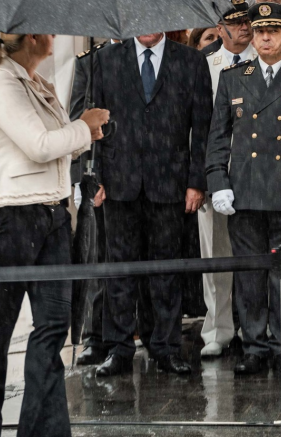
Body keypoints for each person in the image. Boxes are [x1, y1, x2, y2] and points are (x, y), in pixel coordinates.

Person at [0, 33, 109, 437]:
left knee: (53, 325)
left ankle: (44, 430)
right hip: (7, 217)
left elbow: (57, 149)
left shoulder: (39, 83)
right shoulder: (1, 83)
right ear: (32, 37)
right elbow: (40, 146)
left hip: (51, 214)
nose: (55, 39)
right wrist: (82, 127)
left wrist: (85, 136)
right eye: (50, 32)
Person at [206, 2, 281, 374]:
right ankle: (254, 345)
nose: (265, 37)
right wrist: (218, 182)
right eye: (259, 31)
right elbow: (218, 138)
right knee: (250, 275)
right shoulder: (232, 78)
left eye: (273, 31)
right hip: (245, 191)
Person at [92, 32, 213, 377]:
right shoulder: (107, 60)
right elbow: (93, 123)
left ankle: (166, 347)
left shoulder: (190, 61)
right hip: (119, 182)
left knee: (166, 271)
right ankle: (118, 348)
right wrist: (94, 176)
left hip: (170, 182)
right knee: (120, 270)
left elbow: (202, 127)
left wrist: (196, 181)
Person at [198, 0, 258, 359]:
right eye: (235, 21)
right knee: (215, 256)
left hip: (256, 170)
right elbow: (196, 125)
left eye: (247, 19)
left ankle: (257, 328)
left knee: (254, 255)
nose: (244, 27)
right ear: (220, 27)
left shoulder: (267, 58)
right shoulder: (204, 64)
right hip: (215, 170)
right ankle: (217, 329)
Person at [69, 41, 110, 367]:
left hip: (146, 174)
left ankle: (145, 333)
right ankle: (95, 336)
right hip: (100, 176)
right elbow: (76, 120)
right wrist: (84, 178)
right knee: (96, 259)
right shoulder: (92, 62)